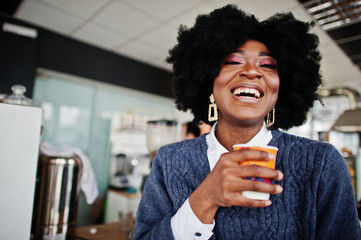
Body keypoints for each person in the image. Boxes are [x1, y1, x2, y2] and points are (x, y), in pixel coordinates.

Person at [133, 4, 361, 239]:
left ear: (281, 88)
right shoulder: (169, 160)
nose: (252, 72)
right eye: (233, 61)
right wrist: (204, 199)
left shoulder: (321, 163)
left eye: (268, 65)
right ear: (208, 79)